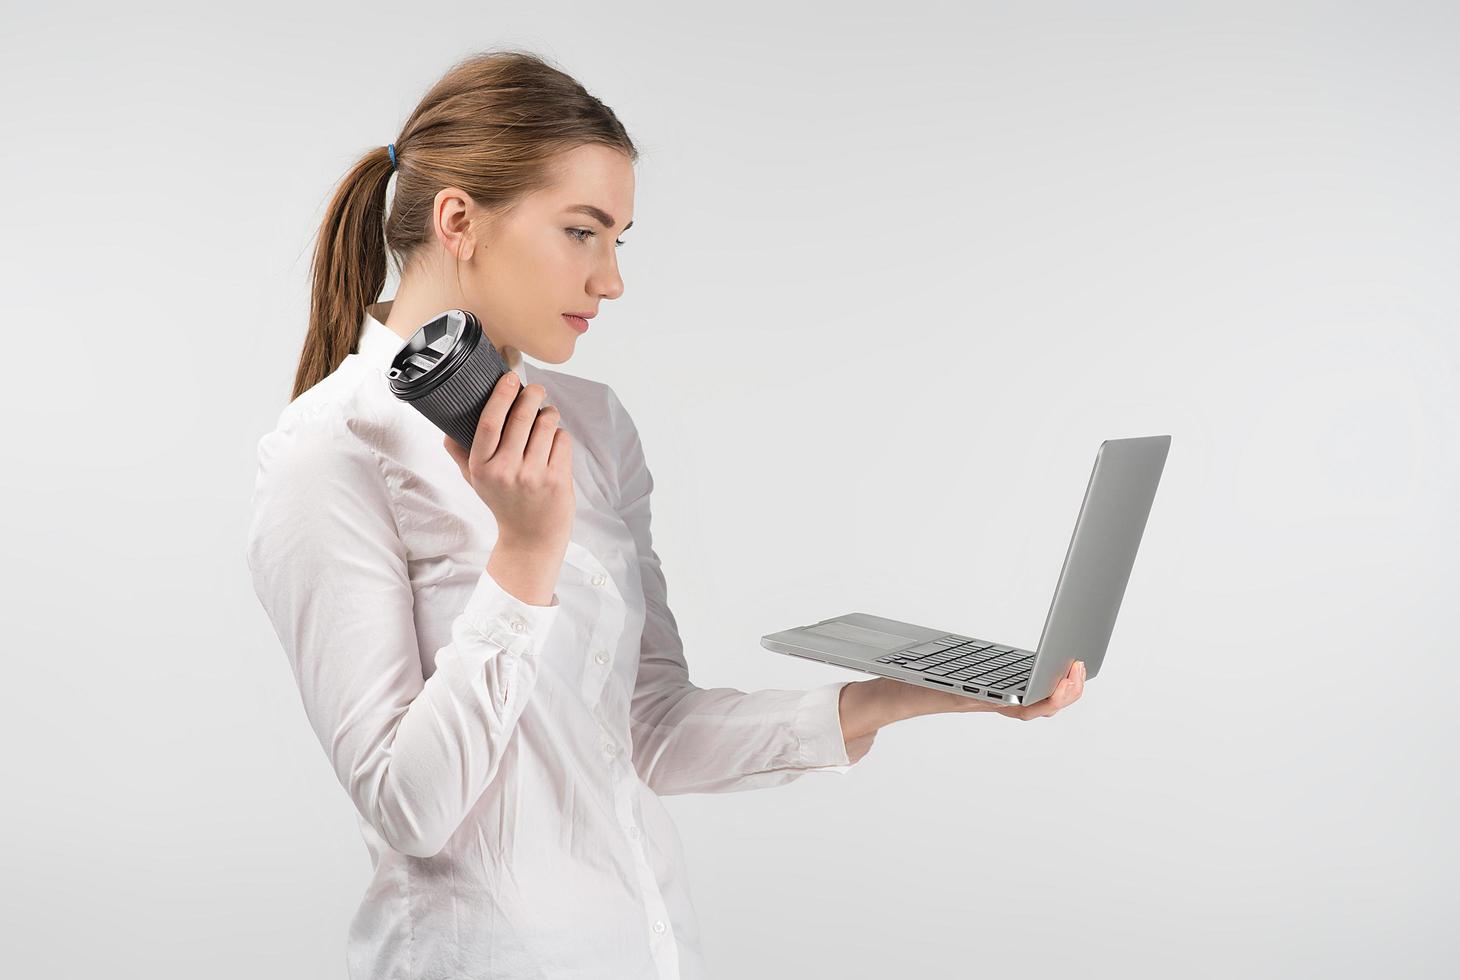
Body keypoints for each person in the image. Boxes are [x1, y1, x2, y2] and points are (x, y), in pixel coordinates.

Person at [244, 48, 1085, 980]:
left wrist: (915, 693)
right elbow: (408, 807)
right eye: (581, 232)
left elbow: (652, 727)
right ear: (459, 222)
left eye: (619, 239)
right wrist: (524, 555)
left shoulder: (595, 427)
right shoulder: (329, 452)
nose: (611, 281)